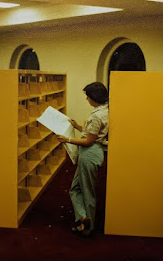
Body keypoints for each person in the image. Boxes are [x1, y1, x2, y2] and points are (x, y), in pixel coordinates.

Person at [57, 82, 109, 237]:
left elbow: (88, 141)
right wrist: (77, 126)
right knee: (76, 189)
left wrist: (67, 139)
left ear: (94, 97)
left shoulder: (97, 116)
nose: (87, 99)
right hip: (94, 152)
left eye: (88, 96)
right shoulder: (105, 111)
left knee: (87, 191)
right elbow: (92, 134)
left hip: (89, 153)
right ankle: (83, 218)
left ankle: (88, 227)